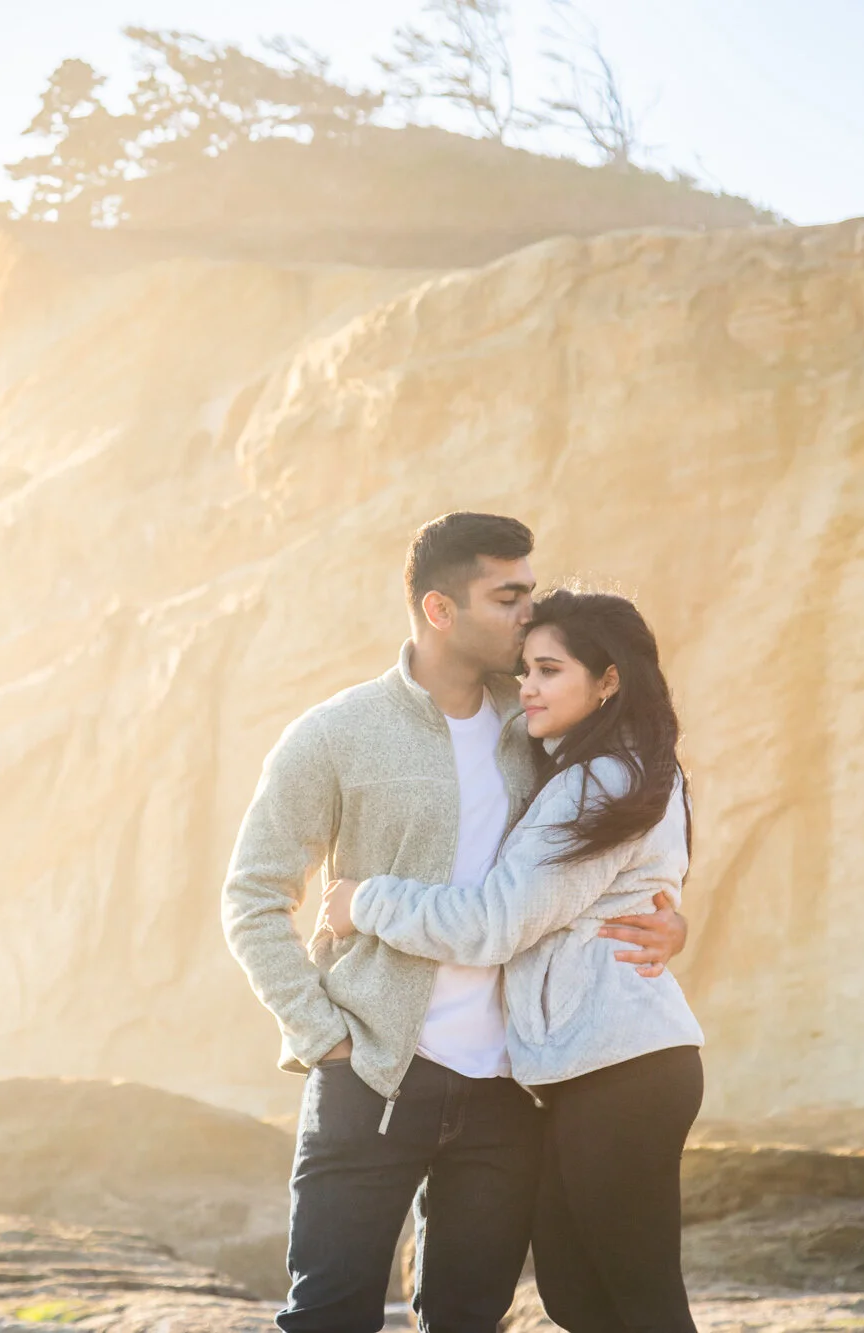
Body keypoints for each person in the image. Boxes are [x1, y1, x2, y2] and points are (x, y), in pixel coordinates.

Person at [220, 514, 689, 1333]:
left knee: (470, 1320)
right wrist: (321, 1033)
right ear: (441, 610)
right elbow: (252, 896)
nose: (526, 615)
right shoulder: (335, 733)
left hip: (507, 1087)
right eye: (507, 597)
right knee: (326, 1316)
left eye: (528, 594)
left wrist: (666, 915)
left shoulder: (541, 724)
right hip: (371, 1071)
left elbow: (609, 843)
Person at [318, 587, 705, 1333]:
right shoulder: (618, 769)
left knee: (640, 1301)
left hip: (623, 1068)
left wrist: (364, 901)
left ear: (608, 680)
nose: (526, 686)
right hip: (596, 1066)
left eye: (549, 670)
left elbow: (495, 923)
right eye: (524, 669)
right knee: (578, 1294)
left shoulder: (599, 781)